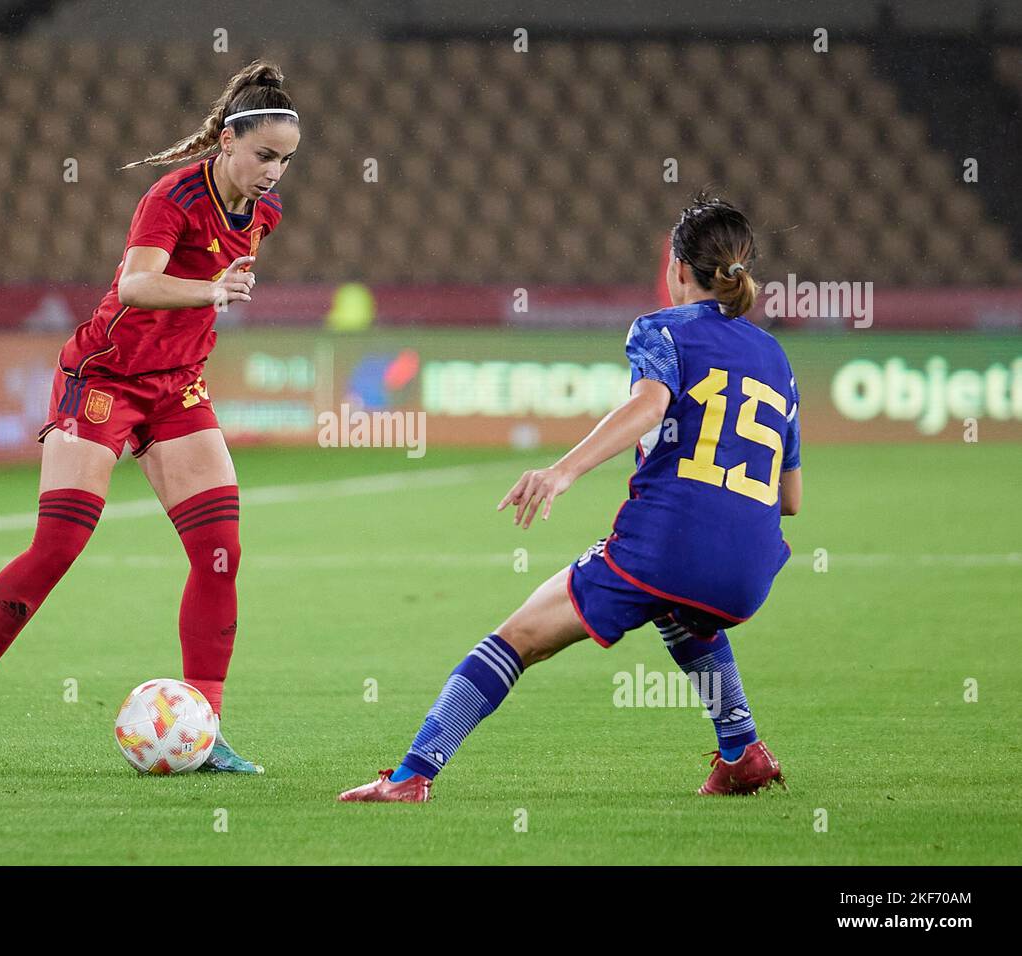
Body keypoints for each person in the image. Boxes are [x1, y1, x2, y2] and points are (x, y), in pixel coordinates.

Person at [340, 195, 800, 802]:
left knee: (513, 641)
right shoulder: (776, 355)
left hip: (663, 549)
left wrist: (563, 470)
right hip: (751, 573)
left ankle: (410, 777)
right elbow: (790, 498)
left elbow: (650, 403)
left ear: (678, 268)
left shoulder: (660, 328)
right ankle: (741, 751)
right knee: (678, 608)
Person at [0, 60, 300, 775]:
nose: (274, 172)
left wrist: (210, 300)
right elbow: (134, 281)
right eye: (264, 156)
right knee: (60, 546)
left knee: (220, 552)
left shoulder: (265, 215)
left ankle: (203, 725)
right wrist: (209, 291)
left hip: (177, 388)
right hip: (102, 378)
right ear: (228, 143)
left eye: (285, 160)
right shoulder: (173, 196)